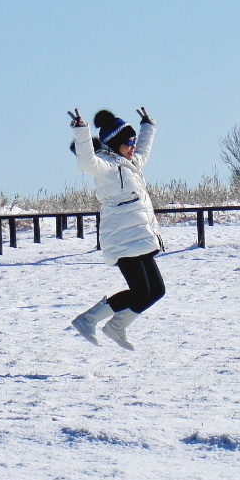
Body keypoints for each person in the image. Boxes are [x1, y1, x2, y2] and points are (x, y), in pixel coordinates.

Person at [66, 106, 163, 349]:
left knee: (156, 291)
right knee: (141, 292)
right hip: (120, 239)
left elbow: (143, 150)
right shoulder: (106, 167)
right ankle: (88, 320)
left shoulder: (131, 163)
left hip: (139, 236)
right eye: (128, 142)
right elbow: (87, 161)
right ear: (115, 144)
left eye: (133, 141)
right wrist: (82, 131)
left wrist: (147, 126)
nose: (133, 146)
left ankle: (116, 326)